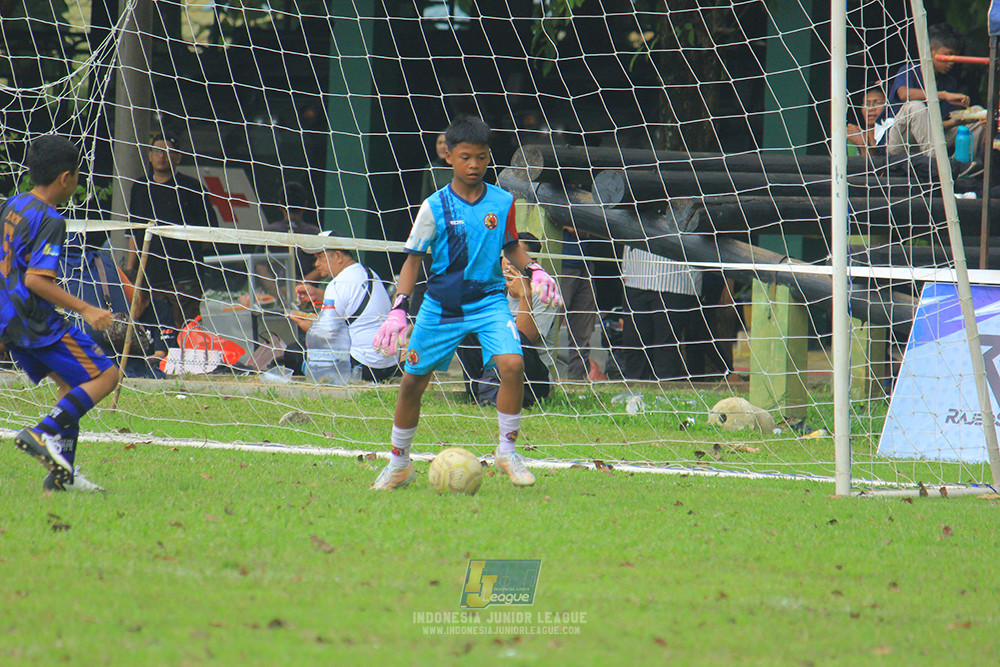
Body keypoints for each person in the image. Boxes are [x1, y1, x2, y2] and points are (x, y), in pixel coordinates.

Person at [370, 117, 562, 490]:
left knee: (512, 363)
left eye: (481, 157)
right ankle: (399, 463)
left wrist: (535, 270)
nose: (474, 164)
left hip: (489, 301)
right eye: (465, 157)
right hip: (442, 306)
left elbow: (510, 247)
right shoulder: (434, 206)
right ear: (449, 157)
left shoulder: (503, 201)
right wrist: (399, 309)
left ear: (490, 158)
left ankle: (507, 452)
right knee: (412, 384)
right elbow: (413, 260)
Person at [0, 135, 120, 492]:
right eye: (78, 175)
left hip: (10, 318)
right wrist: (87, 308)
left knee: (71, 385)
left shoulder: (14, 204)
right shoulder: (51, 220)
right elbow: (37, 280)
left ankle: (61, 475)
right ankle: (41, 433)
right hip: (36, 321)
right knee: (106, 376)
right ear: (66, 177)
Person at [265, 231, 401, 381]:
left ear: (338, 256)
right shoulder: (368, 272)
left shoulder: (338, 283)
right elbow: (351, 303)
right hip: (389, 364)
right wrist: (319, 294)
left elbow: (326, 337)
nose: (316, 264)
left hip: (363, 366)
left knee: (294, 351)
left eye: (320, 257)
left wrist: (308, 326)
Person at [126, 131, 219, 328]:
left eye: (168, 151)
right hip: (149, 276)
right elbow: (133, 233)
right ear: (150, 155)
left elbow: (209, 233)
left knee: (185, 331)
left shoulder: (193, 188)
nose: (162, 156)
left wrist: (185, 251)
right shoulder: (140, 187)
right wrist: (130, 271)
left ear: (178, 157)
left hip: (184, 276)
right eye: (157, 151)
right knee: (153, 331)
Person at [457, 233, 556, 408]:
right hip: (494, 362)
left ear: (533, 263)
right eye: (507, 256)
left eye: (517, 257)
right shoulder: (493, 287)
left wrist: (524, 295)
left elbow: (526, 339)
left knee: (513, 336)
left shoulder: (545, 291)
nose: (510, 262)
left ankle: (511, 397)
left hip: (532, 376)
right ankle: (478, 393)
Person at [884, 23, 983, 164]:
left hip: (930, 143)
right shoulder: (910, 70)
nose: (951, 62)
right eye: (948, 55)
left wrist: (956, 122)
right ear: (931, 51)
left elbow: (937, 126)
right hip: (901, 143)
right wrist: (943, 95)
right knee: (916, 107)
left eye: (955, 57)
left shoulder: (950, 82)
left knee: (978, 112)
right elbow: (904, 94)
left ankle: (962, 168)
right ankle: (938, 169)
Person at [620, 245, 702, 381]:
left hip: (676, 281)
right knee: (634, 341)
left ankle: (665, 394)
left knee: (666, 345)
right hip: (636, 275)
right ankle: (634, 392)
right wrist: (626, 270)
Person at [255, 182, 321, 301]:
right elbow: (259, 265)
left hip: (297, 297)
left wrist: (280, 291)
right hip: (300, 296)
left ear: (280, 205)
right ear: (305, 205)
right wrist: (297, 287)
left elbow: (260, 266)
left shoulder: (269, 231)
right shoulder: (315, 232)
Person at [559, 226, 598, 380]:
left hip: (584, 264)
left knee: (582, 331)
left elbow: (584, 230)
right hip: (559, 265)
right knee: (549, 325)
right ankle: (541, 378)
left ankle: (578, 379)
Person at [847, 87, 893, 157]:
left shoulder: (893, 137)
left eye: (878, 103)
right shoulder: (852, 137)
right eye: (867, 104)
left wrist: (863, 144)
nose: (871, 108)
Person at [420, 132, 452, 200]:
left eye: (446, 143)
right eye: (440, 143)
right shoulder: (430, 168)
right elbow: (424, 196)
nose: (443, 146)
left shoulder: (458, 166)